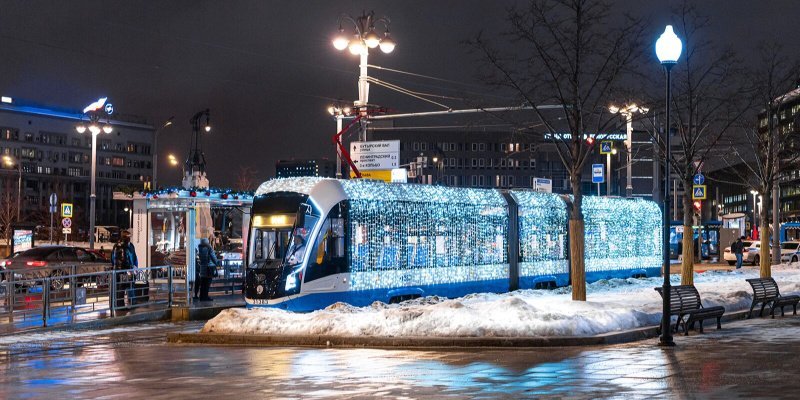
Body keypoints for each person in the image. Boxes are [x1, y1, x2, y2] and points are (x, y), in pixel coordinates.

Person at [110, 231, 138, 309]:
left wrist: (114, 266)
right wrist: (133, 267)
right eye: (129, 236)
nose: (130, 238)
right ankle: (127, 304)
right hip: (125, 270)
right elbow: (131, 258)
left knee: (120, 287)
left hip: (118, 270)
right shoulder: (128, 246)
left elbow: (112, 258)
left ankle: (119, 304)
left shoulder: (116, 246)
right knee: (127, 286)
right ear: (126, 237)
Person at [197, 237, 219, 301]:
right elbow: (213, 257)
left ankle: (201, 297)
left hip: (202, 268)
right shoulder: (209, 248)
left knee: (203, 284)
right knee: (207, 284)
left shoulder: (200, 248)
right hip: (209, 268)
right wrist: (216, 262)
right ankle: (205, 297)